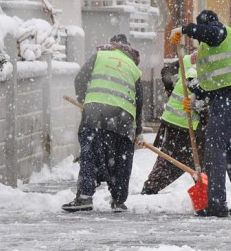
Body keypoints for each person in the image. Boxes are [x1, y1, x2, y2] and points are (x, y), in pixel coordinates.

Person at [170, 10, 231, 217]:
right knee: (229, 148)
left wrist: (184, 29)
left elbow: (211, 33)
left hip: (228, 100)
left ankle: (216, 203)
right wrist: (195, 92)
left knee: (215, 148)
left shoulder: (219, 32)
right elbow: (216, 80)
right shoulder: (213, 45)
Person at [62, 34, 143, 212]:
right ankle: (119, 200)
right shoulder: (134, 68)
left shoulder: (100, 55)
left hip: (95, 114)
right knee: (122, 159)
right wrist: (138, 131)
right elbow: (139, 102)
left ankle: (84, 197)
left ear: (112, 45)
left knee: (90, 153)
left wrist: (84, 101)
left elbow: (80, 79)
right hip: (124, 119)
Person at [141, 51, 207, 195]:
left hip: (177, 120)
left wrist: (171, 90)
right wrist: (203, 109)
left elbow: (166, 72)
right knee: (177, 160)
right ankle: (150, 189)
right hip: (183, 122)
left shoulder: (190, 60)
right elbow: (197, 92)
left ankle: (207, 192)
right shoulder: (200, 66)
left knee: (196, 160)